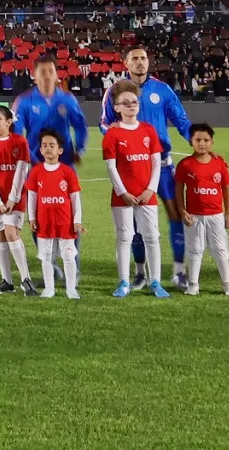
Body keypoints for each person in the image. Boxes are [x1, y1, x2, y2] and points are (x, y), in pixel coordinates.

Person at [103, 44, 191, 287]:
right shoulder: (115, 91)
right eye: (135, 59)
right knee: (133, 223)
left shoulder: (162, 90)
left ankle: (178, 270)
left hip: (162, 166)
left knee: (176, 215)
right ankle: (140, 271)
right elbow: (105, 123)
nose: (140, 62)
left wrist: (194, 139)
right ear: (126, 63)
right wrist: (110, 132)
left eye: (143, 58)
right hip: (131, 168)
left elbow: (181, 120)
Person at [101, 80, 169, 298]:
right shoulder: (112, 134)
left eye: (134, 101)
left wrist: (151, 189)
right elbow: (111, 167)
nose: (131, 105)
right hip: (123, 196)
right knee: (124, 237)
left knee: (152, 237)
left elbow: (156, 162)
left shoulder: (149, 130)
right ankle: (123, 282)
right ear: (117, 107)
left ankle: (155, 282)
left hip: (146, 194)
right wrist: (123, 193)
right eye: (125, 102)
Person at [0, 102, 34, 294]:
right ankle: (6, 281)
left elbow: (21, 171)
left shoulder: (19, 141)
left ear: (9, 121)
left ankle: (26, 279)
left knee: (11, 232)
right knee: (0, 236)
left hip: (15, 199)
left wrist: (12, 199)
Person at [176, 122, 229, 295]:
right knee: (195, 249)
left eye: (206, 140)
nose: (202, 143)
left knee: (220, 249)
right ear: (191, 142)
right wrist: (182, 210)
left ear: (212, 143)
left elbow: (227, 189)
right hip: (193, 216)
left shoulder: (219, 164)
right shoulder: (185, 165)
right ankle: (193, 285)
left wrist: (228, 214)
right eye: (198, 140)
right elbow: (179, 189)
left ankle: (227, 284)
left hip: (216, 215)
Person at [26, 131, 83, 300]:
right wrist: (32, 217)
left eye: (52, 145)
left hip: (65, 221)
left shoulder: (67, 172)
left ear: (60, 150)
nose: (48, 148)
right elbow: (32, 196)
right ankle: (49, 288)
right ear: (40, 151)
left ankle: (71, 289)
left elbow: (75, 197)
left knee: (68, 255)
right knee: (46, 256)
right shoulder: (36, 172)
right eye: (44, 146)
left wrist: (77, 219)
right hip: (45, 221)